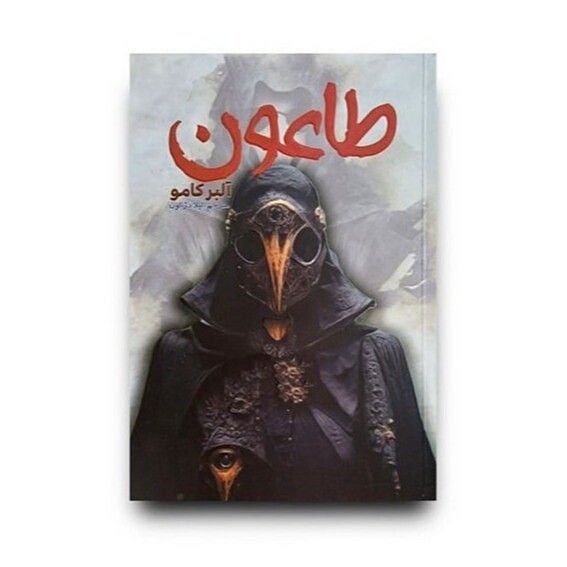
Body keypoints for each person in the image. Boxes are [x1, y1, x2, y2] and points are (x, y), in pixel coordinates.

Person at [131, 164, 436, 501]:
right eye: (254, 244)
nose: (277, 266)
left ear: (317, 241)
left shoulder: (374, 354)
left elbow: (414, 490)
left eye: (300, 243)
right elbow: (149, 488)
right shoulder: (181, 355)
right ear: (235, 246)